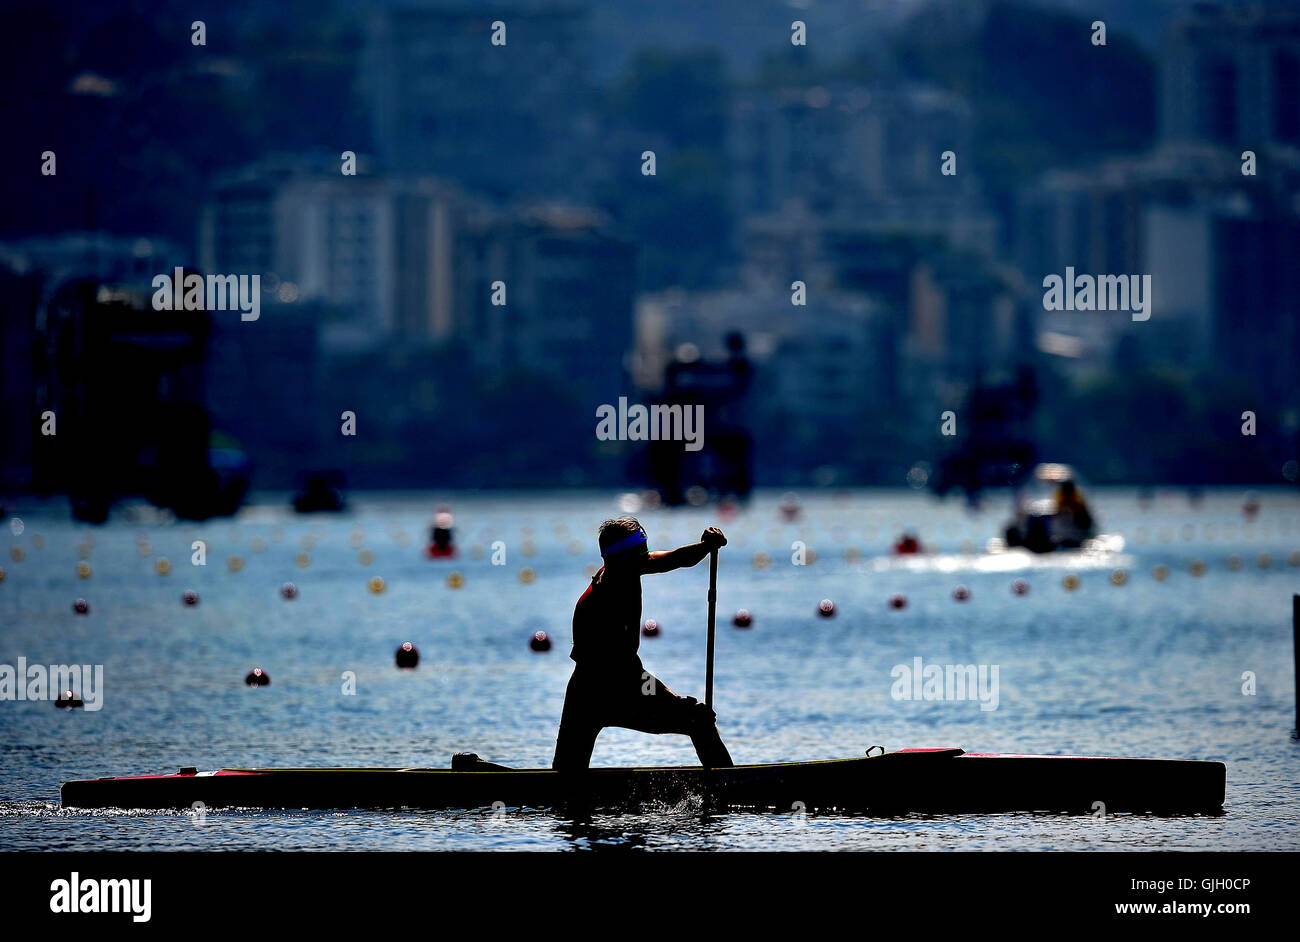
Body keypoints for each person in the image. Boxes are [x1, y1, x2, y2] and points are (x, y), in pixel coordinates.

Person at [552, 517, 735, 771]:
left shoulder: (615, 569)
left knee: (564, 776)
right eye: (641, 552)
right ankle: (728, 786)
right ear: (622, 556)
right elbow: (675, 560)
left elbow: (672, 556)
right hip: (612, 685)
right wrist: (706, 546)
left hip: (586, 690)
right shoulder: (619, 577)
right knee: (697, 720)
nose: (647, 557)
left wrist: (702, 547)